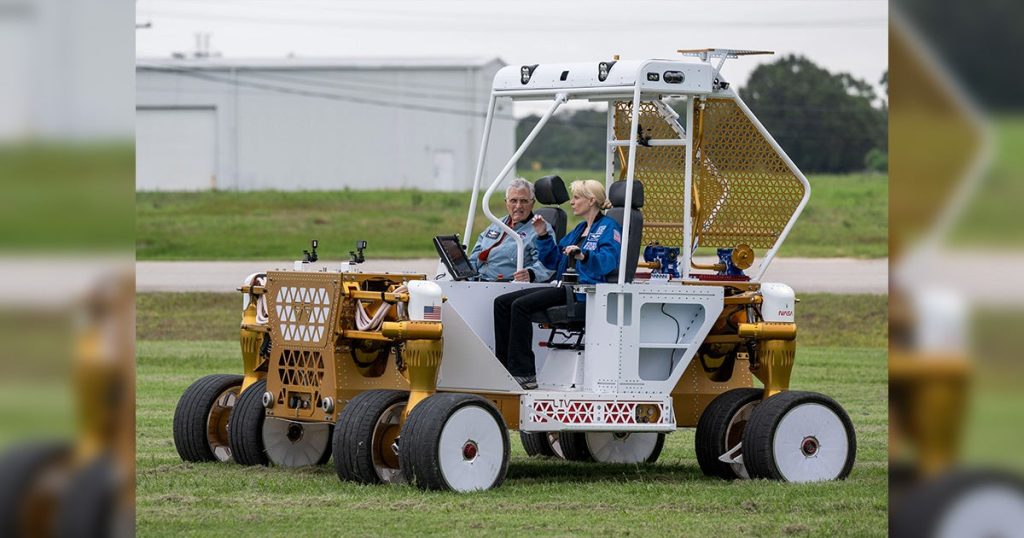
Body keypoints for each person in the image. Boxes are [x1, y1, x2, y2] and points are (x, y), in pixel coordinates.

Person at [493, 179, 621, 390]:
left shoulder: (609, 228)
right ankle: (503, 366)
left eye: (577, 197)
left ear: (591, 201)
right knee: (502, 303)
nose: (572, 202)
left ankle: (524, 373)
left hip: (582, 292)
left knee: (520, 306)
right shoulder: (580, 229)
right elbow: (554, 260)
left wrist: (583, 255)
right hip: (563, 286)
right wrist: (542, 234)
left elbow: (608, 261)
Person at [468, 178, 555, 283]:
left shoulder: (542, 229)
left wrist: (530, 274)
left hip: (506, 286)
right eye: (513, 201)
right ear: (506, 203)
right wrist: (466, 275)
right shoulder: (496, 224)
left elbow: (548, 264)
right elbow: (475, 255)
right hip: (477, 282)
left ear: (532, 203)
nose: (518, 206)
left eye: (524, 201)